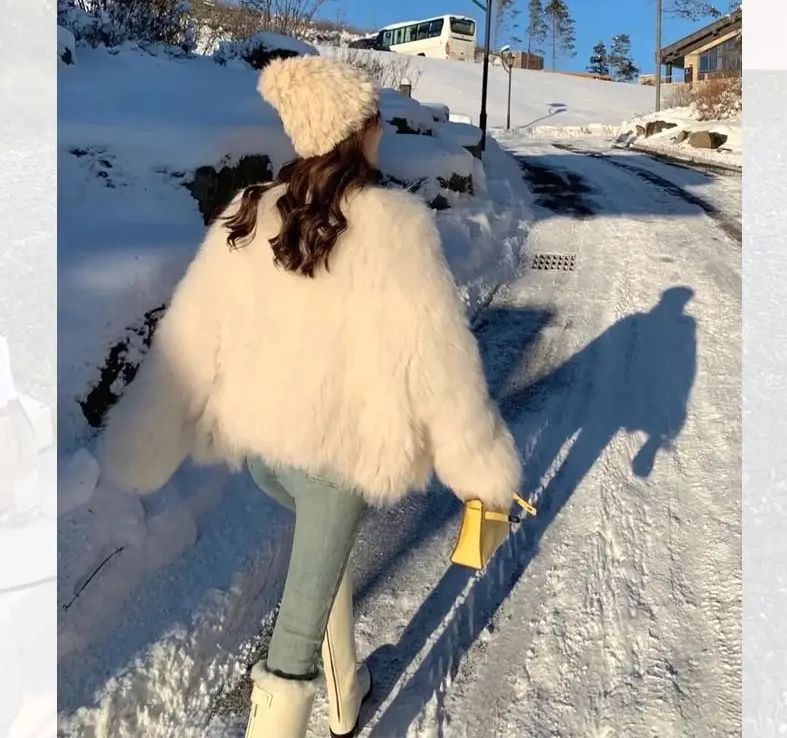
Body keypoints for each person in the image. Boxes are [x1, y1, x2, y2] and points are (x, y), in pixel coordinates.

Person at [97, 55, 522, 737]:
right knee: (292, 641)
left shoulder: (251, 209)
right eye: (375, 119)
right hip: (338, 463)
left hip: (269, 455)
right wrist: (481, 471)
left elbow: (191, 337)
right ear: (356, 130)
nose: (382, 131)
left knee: (320, 568)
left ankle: (346, 691)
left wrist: (143, 442)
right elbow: (438, 363)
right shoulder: (394, 225)